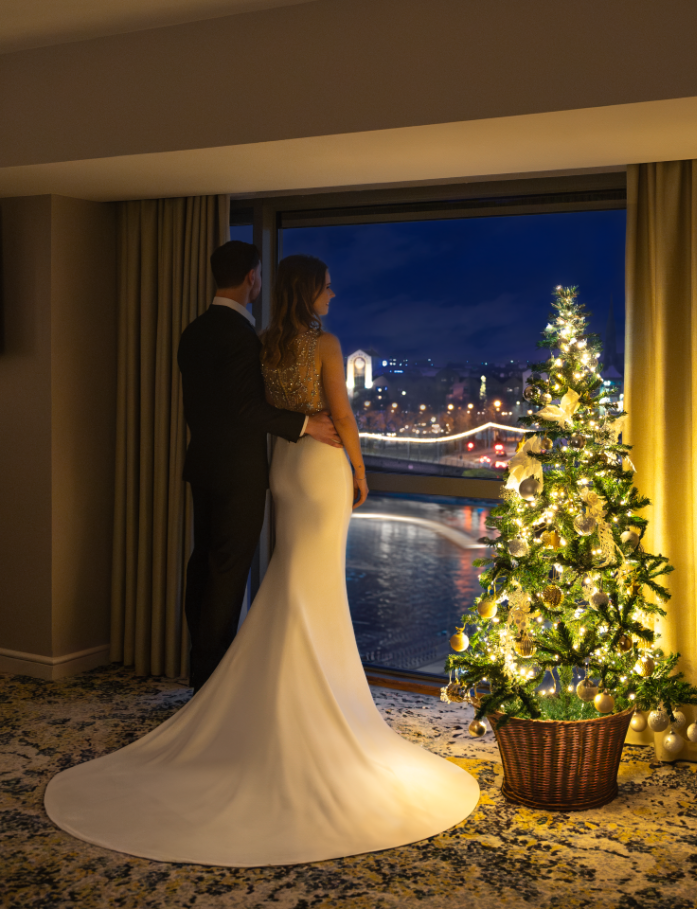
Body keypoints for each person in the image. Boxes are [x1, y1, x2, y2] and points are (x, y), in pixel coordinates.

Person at [43, 254, 480, 867]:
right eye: (328, 285)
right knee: (291, 575)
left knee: (259, 572)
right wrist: (355, 464)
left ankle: (226, 682)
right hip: (308, 461)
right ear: (280, 285)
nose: (334, 291)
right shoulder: (315, 342)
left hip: (271, 468)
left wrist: (296, 430)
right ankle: (249, 689)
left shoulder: (251, 339)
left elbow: (229, 406)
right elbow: (336, 414)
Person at [176, 240, 341, 692]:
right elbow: (246, 409)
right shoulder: (241, 337)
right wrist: (306, 423)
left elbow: (210, 406)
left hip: (203, 464)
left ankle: (201, 669)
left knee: (203, 564)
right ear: (252, 277)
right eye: (260, 275)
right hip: (238, 472)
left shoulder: (194, 331)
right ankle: (211, 684)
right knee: (228, 573)